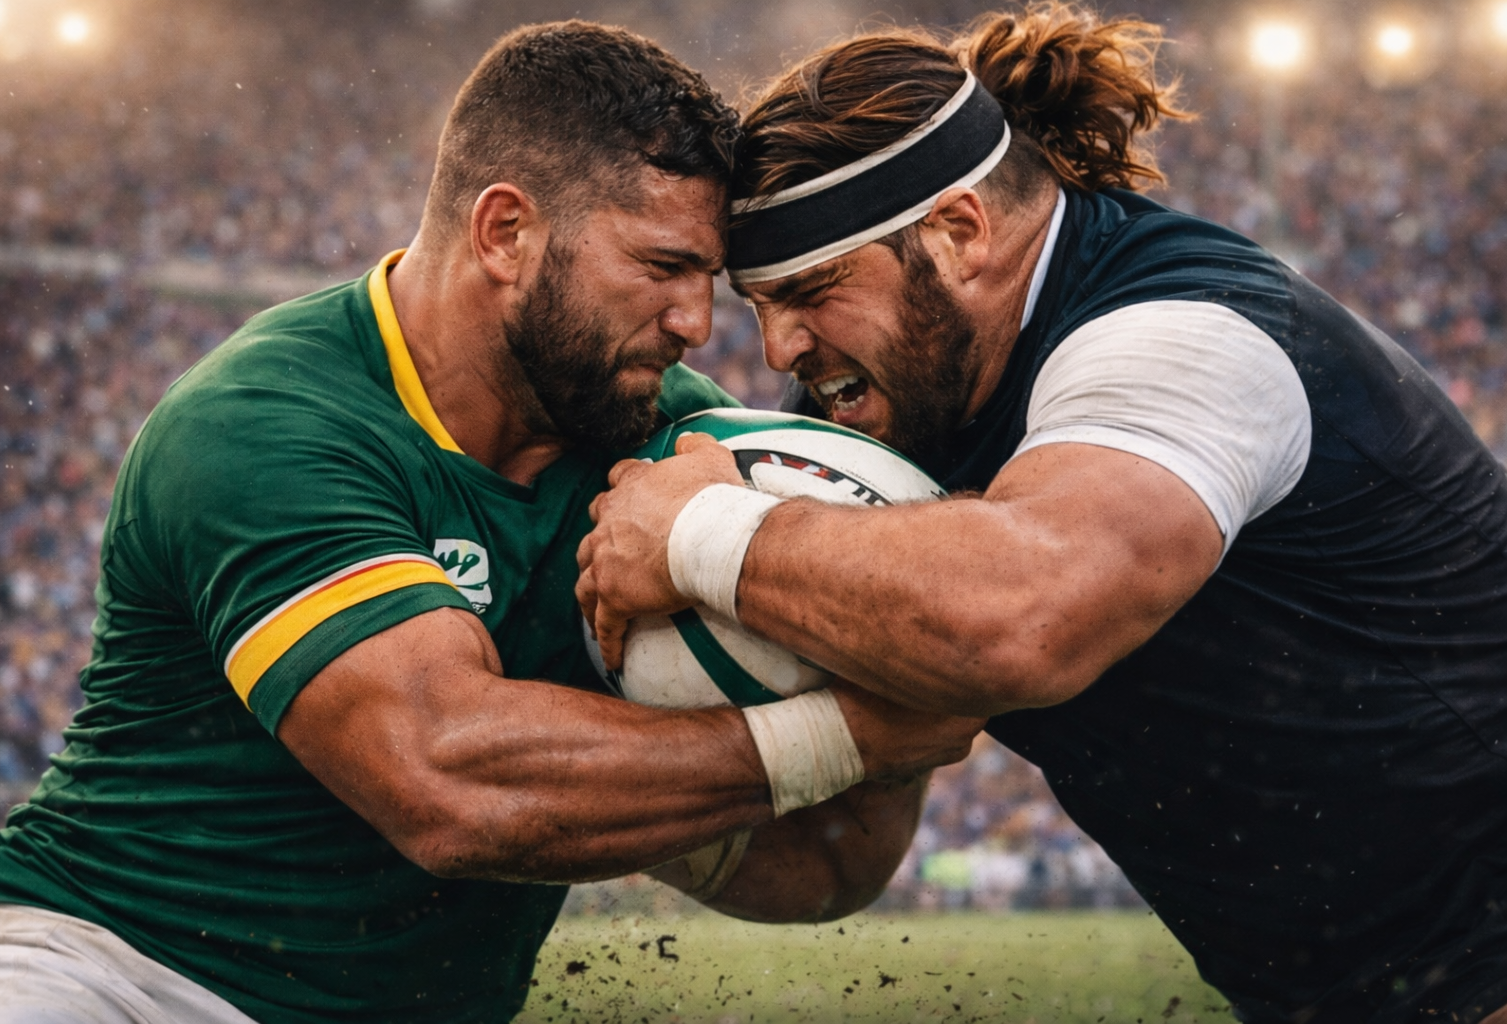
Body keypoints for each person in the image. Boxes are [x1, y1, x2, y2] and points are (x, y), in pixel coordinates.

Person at [0, 22, 982, 1024]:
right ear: (506, 232)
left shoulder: (676, 442)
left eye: (704, 281)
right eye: (660, 266)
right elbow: (446, 778)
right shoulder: (266, 419)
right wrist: (845, 731)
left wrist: (896, 700)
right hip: (108, 967)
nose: (695, 322)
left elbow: (814, 869)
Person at [575, 6, 1507, 1022]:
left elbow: (1022, 616)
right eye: (761, 306)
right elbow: (840, 860)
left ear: (961, 230)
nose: (779, 351)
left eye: (811, 291)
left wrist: (699, 533)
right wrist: (582, 802)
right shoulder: (897, 401)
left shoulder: (1184, 337)